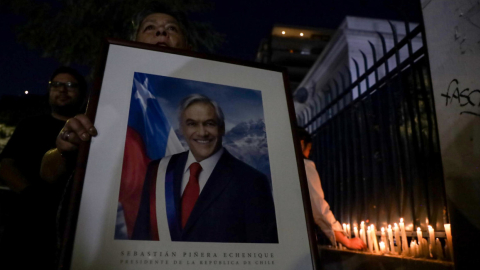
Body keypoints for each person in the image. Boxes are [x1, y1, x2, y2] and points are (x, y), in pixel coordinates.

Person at [41, 3, 191, 183]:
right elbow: (47, 174)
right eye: (150, 27)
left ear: (186, 45)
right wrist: (64, 149)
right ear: (133, 43)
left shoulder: (205, 98)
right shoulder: (106, 99)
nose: (161, 32)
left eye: (171, 28)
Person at [132, 94, 278, 243]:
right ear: (181, 129)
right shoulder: (158, 170)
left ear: (222, 128)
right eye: (192, 124)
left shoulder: (252, 181)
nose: (202, 132)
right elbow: (141, 234)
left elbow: (263, 251)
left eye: (209, 123)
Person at [0, 66, 87, 268]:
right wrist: (30, 194)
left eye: (70, 85)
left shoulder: (89, 130)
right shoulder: (30, 125)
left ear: (82, 93)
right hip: (28, 221)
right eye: (56, 85)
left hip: (74, 222)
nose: (62, 90)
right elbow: (6, 163)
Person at [296, 127, 366, 250]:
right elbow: (318, 207)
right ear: (301, 144)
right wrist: (345, 240)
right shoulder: (304, 166)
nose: (308, 154)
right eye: (309, 150)